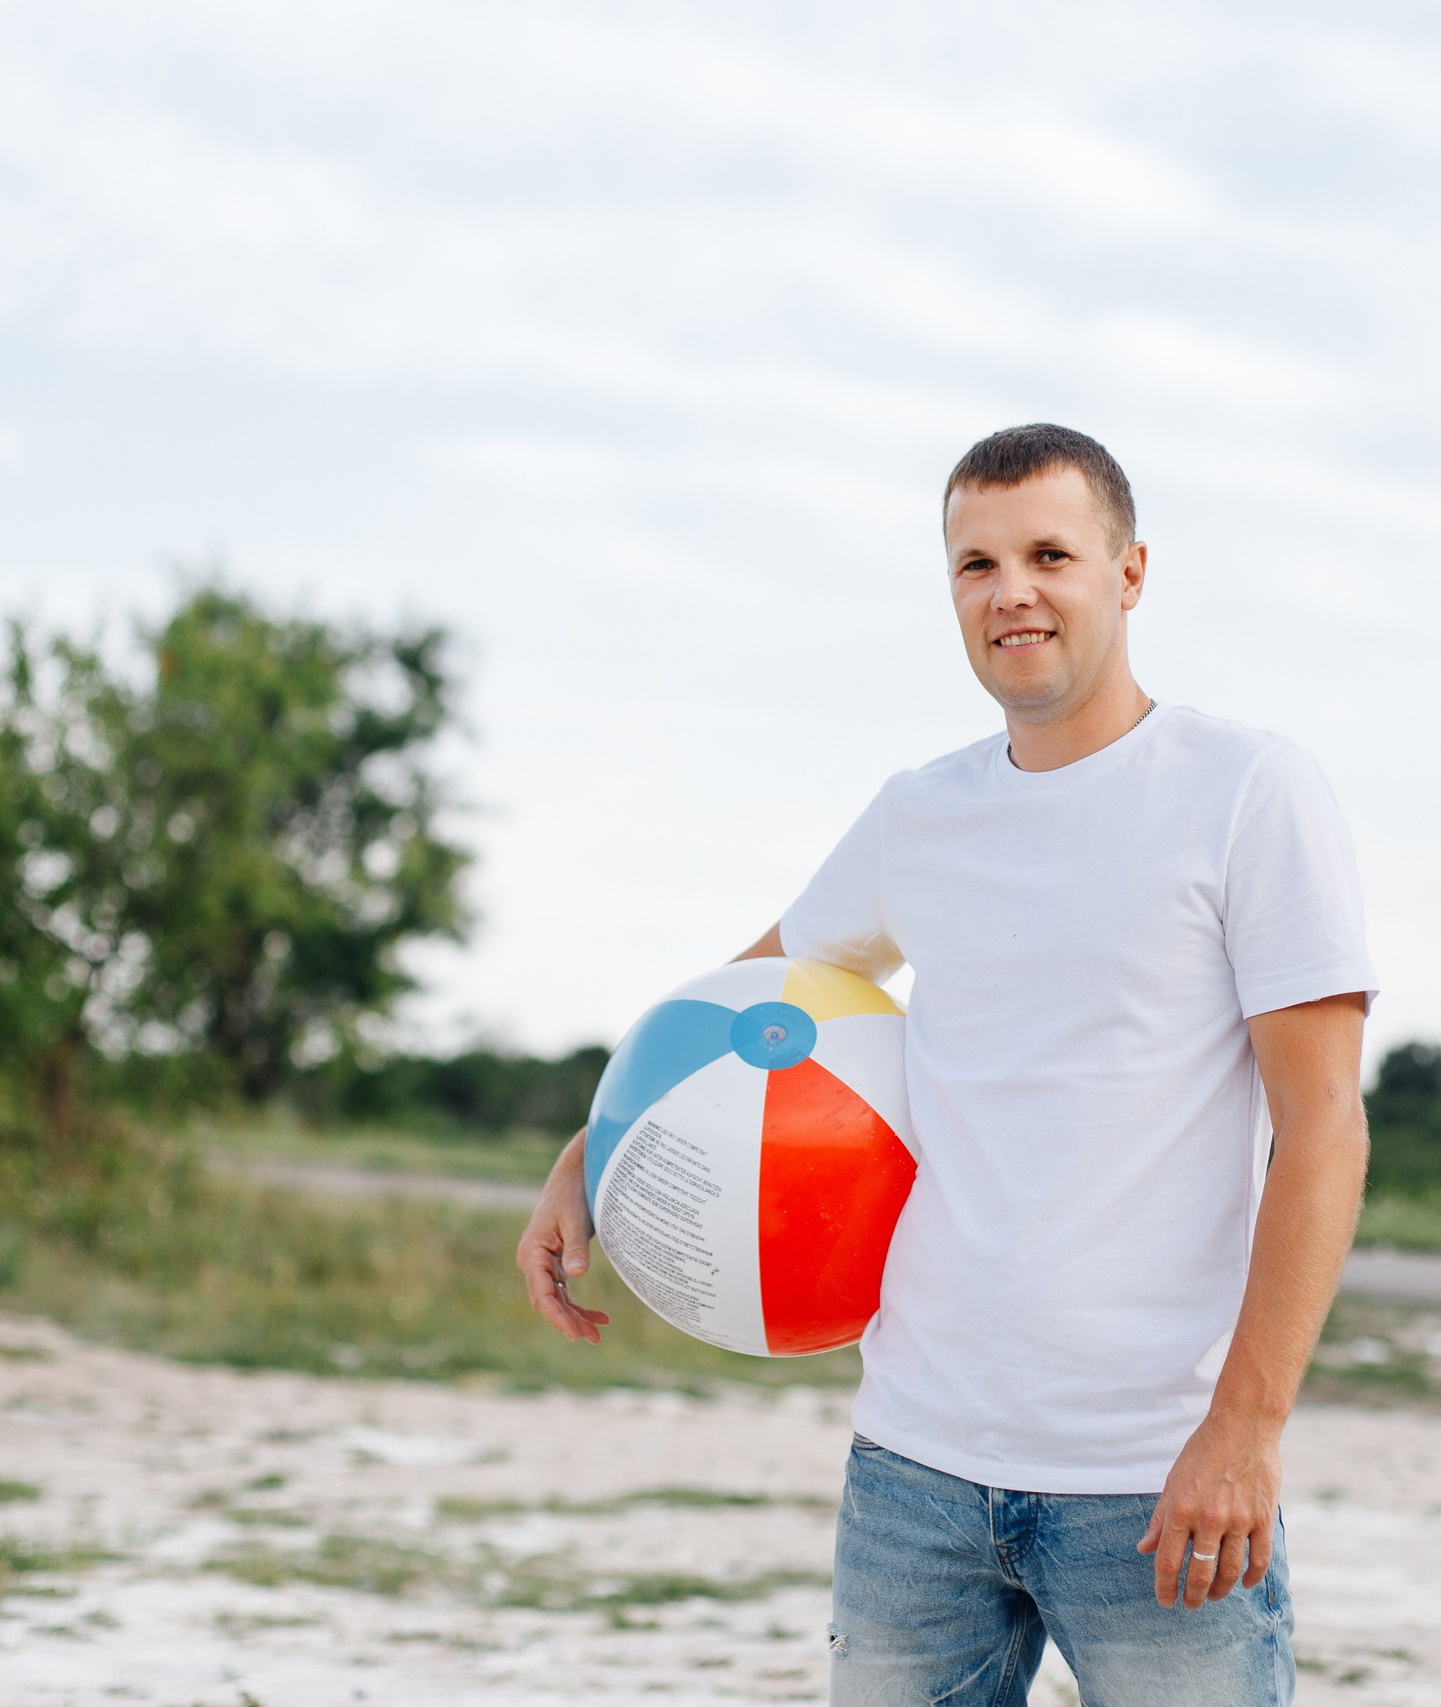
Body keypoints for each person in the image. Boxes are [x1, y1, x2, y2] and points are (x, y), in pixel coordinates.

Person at [519, 423, 1376, 1706]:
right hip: (915, 1467)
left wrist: (1245, 1431)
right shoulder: (920, 812)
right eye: (975, 564)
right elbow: (738, 1007)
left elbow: (1322, 1128)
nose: (1010, 591)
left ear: (1130, 572)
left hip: (1153, 1475)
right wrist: (592, 1152)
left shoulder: (1246, 792)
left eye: (1048, 554)